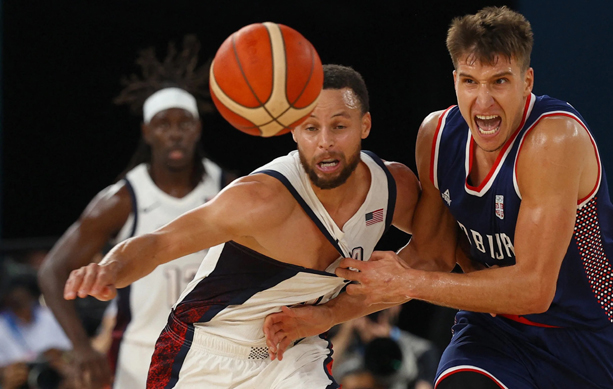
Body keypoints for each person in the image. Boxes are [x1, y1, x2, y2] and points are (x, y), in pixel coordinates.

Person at [264, 6, 613, 389]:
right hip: (493, 328)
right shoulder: (437, 136)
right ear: (455, 80)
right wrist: (327, 313)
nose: (484, 101)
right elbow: (431, 254)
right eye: (471, 81)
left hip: (583, 336)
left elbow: (534, 290)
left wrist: (408, 283)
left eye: (500, 81)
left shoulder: (553, 139)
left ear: (527, 82)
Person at [62, 64, 420, 388]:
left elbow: (433, 259)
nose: (325, 140)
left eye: (339, 126)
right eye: (311, 127)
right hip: (207, 354)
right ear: (295, 131)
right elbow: (158, 244)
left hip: (294, 353)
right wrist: (110, 268)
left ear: (365, 125)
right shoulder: (259, 197)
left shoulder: (392, 188)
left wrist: (332, 312)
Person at [38, 35, 233, 389]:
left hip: (216, 358)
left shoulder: (227, 190)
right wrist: (82, 348)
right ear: (147, 132)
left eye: (183, 123)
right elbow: (52, 271)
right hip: (140, 359)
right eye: (163, 124)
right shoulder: (122, 198)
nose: (174, 134)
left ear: (197, 129)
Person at [0, 273, 73, 389]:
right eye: (16, 304)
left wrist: (58, 356)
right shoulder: (2, 326)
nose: (23, 309)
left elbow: (69, 351)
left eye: (24, 301)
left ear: (31, 297)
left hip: (54, 378)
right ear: (8, 302)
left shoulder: (49, 316)